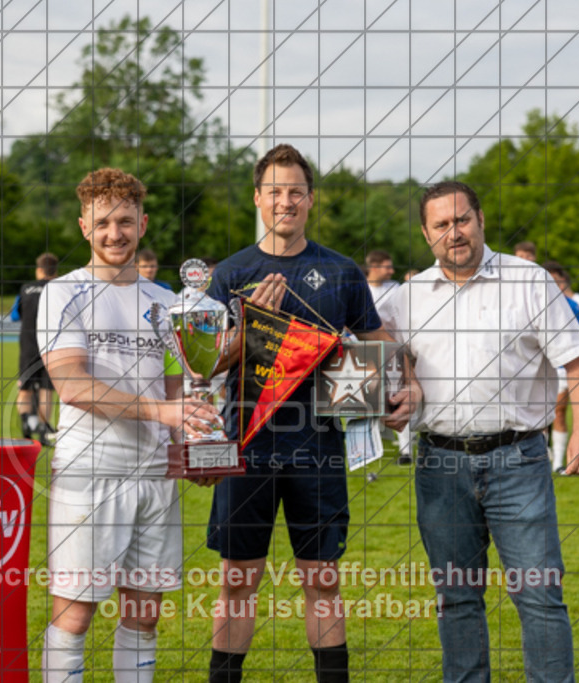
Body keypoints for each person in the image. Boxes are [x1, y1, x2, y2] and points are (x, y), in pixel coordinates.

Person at [204, 144, 418, 682]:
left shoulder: (341, 272)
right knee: (236, 580)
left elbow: (380, 342)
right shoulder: (229, 274)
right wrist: (252, 324)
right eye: (274, 191)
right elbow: (202, 365)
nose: (285, 201)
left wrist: (405, 384)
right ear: (258, 198)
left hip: (317, 447)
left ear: (311, 199)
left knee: (322, 579)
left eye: (295, 190)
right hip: (245, 446)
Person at [386, 180, 579, 681]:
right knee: (456, 598)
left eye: (461, 220)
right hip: (440, 465)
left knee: (540, 594)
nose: (453, 233)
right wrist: (403, 387)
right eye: (441, 225)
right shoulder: (405, 299)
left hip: (517, 459)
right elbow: (383, 360)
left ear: (480, 219)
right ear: (425, 232)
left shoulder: (529, 280)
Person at [37, 168, 220, 683]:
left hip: (156, 473)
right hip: (90, 472)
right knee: (75, 616)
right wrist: (163, 413)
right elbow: (72, 384)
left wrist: (198, 442)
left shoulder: (168, 303)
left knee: (143, 617)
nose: (113, 233)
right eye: (102, 223)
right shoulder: (64, 294)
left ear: (143, 223)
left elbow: (174, 388)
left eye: (124, 221)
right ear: (83, 227)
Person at [364, 249, 412, 466]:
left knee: (398, 396)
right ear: (374, 267)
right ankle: (370, 448)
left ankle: (406, 450)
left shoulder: (395, 289)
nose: (392, 271)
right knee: (367, 401)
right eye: (387, 266)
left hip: (392, 350)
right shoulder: (361, 289)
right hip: (363, 352)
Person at [541, 261, 579, 473]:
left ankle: (559, 461)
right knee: (541, 415)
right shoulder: (530, 305)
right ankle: (542, 458)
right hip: (538, 369)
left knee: (559, 411)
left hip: (562, 367)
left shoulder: (573, 306)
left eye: (556, 280)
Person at [11, 252, 59, 444]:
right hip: (52, 345)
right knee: (47, 389)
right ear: (55, 271)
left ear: (38, 269)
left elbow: (15, 315)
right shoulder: (58, 289)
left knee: (26, 387)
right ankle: (44, 430)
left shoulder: (25, 288)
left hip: (28, 344)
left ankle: (26, 425)